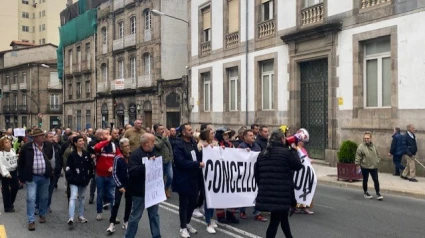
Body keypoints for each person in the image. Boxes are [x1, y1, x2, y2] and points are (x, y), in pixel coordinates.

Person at [255, 129, 302, 238]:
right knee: (274, 222)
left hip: (268, 192)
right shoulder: (287, 153)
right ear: (282, 139)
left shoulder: (262, 154)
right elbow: (298, 166)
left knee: (283, 218)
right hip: (281, 194)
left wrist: (263, 187)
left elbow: (257, 174)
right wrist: (294, 150)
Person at [125, 133, 161, 238]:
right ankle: (129, 236)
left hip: (152, 191)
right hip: (139, 192)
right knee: (135, 217)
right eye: (152, 142)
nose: (154, 144)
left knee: (154, 216)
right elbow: (132, 172)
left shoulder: (153, 152)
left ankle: (157, 236)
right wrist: (147, 165)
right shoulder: (135, 155)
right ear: (146, 143)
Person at [18, 128, 54, 231]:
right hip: (32, 176)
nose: (43, 137)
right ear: (35, 138)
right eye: (40, 135)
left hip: (44, 176)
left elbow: (50, 157)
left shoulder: (48, 145)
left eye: (43, 135)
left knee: (44, 197)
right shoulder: (26, 147)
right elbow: (21, 163)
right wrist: (21, 178)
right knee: (31, 198)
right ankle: (31, 220)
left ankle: (42, 214)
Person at [173, 123, 205, 238]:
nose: (192, 131)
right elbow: (180, 162)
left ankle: (187, 223)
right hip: (183, 178)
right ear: (183, 132)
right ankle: (182, 227)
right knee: (184, 203)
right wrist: (197, 164)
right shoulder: (178, 144)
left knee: (193, 202)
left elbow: (197, 155)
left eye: (191, 130)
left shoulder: (193, 142)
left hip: (194, 177)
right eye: (189, 130)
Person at [65, 136, 93, 226]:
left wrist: (89, 177)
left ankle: (81, 216)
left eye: (83, 141)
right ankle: (71, 217)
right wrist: (70, 178)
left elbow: (90, 167)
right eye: (79, 141)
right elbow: (68, 168)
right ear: (75, 143)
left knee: (82, 197)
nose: (82, 143)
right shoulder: (72, 155)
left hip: (84, 180)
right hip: (74, 180)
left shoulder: (86, 154)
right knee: (73, 197)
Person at [94, 129, 121, 221]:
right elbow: (96, 148)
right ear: (101, 136)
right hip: (100, 175)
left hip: (110, 175)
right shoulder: (100, 145)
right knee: (100, 194)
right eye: (106, 134)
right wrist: (107, 140)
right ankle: (99, 212)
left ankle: (113, 215)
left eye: (109, 134)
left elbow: (119, 157)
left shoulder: (114, 146)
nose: (109, 135)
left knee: (112, 195)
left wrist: (114, 167)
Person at [107, 138, 132, 233]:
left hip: (130, 185)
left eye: (128, 145)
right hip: (119, 185)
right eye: (125, 146)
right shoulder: (118, 158)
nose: (127, 148)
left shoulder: (132, 157)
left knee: (129, 204)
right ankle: (112, 223)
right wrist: (120, 186)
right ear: (121, 148)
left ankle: (126, 221)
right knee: (116, 203)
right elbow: (114, 173)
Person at [197, 129, 219, 233]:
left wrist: (222, 149)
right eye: (211, 133)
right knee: (208, 197)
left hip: (214, 174)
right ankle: (208, 222)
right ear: (206, 135)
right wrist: (203, 149)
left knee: (214, 196)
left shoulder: (215, 144)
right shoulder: (200, 145)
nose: (213, 134)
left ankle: (210, 216)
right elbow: (199, 157)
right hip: (204, 175)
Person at [355, 131, 383, 200]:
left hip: (373, 166)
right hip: (365, 166)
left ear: (370, 138)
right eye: (365, 138)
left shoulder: (374, 146)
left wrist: (377, 161)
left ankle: (378, 193)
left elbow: (378, 154)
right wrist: (357, 165)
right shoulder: (361, 146)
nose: (366, 139)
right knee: (365, 180)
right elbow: (358, 156)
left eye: (367, 138)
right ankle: (366, 192)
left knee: (376, 180)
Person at [153, 124, 174, 198]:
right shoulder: (154, 138)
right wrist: (164, 138)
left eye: (163, 129)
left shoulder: (165, 137)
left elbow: (169, 147)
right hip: (160, 161)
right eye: (161, 129)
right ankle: (160, 191)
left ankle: (166, 188)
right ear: (156, 130)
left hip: (168, 160)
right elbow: (158, 146)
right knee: (160, 178)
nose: (163, 130)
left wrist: (171, 157)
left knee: (170, 176)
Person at [0, 137, 19, 213]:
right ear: (2, 145)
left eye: (9, 142)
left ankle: (10, 202)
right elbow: (1, 165)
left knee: (16, 187)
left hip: (14, 171)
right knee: (6, 190)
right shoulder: (1, 153)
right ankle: (7, 207)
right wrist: (6, 174)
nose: (9, 143)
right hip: (6, 173)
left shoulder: (13, 150)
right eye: (6, 143)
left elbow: (13, 159)